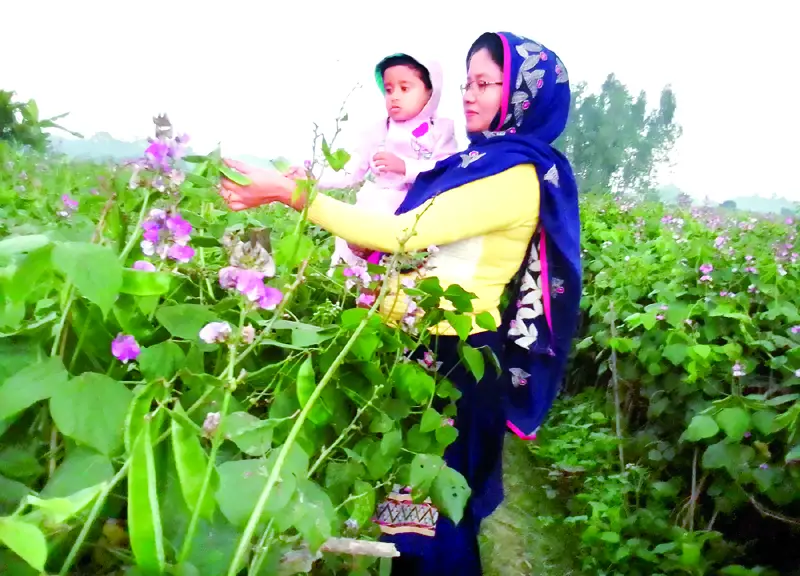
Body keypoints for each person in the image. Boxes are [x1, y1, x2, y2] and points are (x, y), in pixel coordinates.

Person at [220, 31, 582, 576]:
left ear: (524, 96)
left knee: (431, 528)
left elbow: (405, 233)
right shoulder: (478, 160)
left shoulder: (515, 174)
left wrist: (291, 195)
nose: (469, 94)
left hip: (455, 359)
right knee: (405, 515)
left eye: (485, 83)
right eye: (467, 82)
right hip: (418, 348)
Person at [287, 52, 458, 271]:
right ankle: (347, 287)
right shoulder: (377, 131)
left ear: (430, 91)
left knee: (397, 272)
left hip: (411, 211)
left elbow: (445, 169)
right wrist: (313, 176)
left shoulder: (440, 130)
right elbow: (351, 171)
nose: (394, 96)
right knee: (350, 250)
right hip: (372, 206)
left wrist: (405, 167)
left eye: (405, 88)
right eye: (388, 89)